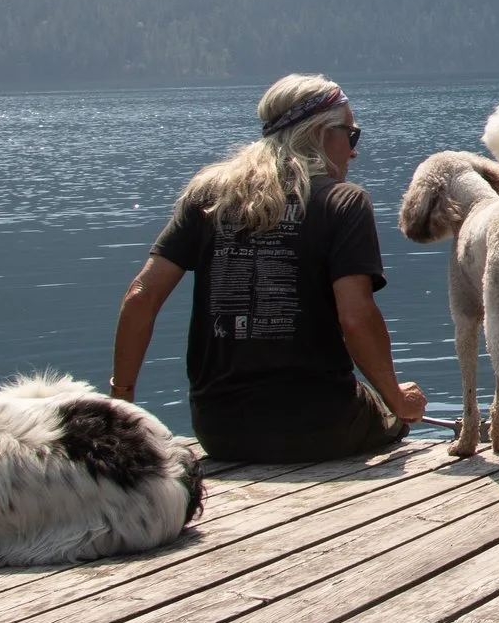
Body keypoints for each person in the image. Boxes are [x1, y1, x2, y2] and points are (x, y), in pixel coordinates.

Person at [111, 74, 428, 462]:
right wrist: (397, 399)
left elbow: (140, 297)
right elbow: (356, 317)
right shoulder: (344, 201)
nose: (354, 151)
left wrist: (123, 402)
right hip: (323, 426)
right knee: (393, 416)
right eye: (352, 134)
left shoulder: (209, 196)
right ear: (320, 132)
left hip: (219, 431)